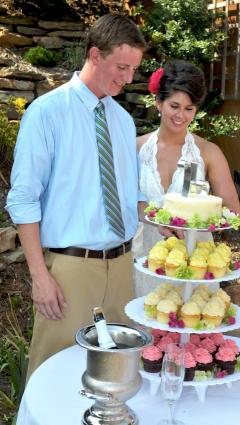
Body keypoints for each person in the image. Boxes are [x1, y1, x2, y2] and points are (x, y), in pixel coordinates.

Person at [6, 13, 147, 380]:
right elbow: (23, 200)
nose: (129, 78)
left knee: (115, 379)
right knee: (54, 376)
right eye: (122, 66)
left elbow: (132, 193)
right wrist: (40, 275)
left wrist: (171, 223)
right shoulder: (46, 114)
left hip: (121, 268)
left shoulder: (123, 120)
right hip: (69, 270)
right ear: (95, 55)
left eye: (134, 69)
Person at [134, 60, 240, 296]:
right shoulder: (135, 149)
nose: (181, 115)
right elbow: (121, 204)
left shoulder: (208, 152)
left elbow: (233, 211)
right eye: (174, 105)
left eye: (189, 109)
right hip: (145, 258)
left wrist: (202, 211)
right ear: (158, 102)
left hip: (195, 261)